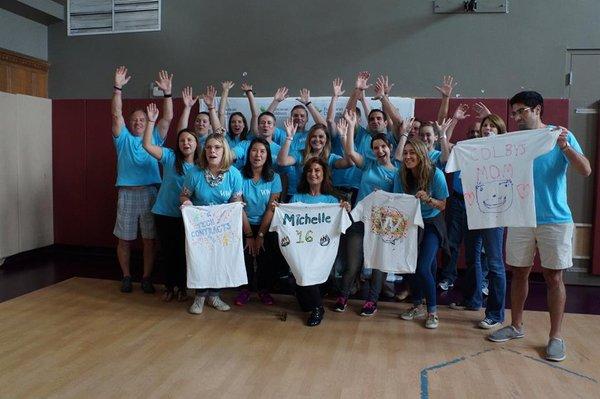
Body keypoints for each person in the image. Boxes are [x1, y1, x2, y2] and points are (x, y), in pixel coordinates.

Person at [488, 91, 591, 362]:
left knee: (553, 277)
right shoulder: (513, 141)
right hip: (520, 217)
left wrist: (566, 147)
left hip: (554, 218)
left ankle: (556, 337)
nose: (517, 117)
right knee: (519, 272)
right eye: (514, 113)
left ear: (537, 110)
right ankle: (516, 326)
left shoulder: (559, 135)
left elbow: (586, 170)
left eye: (521, 111)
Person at [444, 113, 509, 330]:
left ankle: (495, 314)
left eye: (493, 126)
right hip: (473, 209)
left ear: (500, 131)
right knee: (472, 257)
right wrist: (445, 131)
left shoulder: (504, 151)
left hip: (495, 212)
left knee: (495, 263)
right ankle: (472, 301)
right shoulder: (471, 149)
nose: (487, 128)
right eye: (485, 126)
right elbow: (448, 156)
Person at [111, 66, 173, 293]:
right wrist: (117, 88)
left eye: (142, 119)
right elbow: (116, 114)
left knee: (149, 240)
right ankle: (127, 277)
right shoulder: (123, 138)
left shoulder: (155, 136)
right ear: (130, 123)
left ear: (148, 122)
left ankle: (146, 278)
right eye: (135, 119)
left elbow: (167, 117)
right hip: (127, 193)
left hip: (150, 193)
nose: (138, 122)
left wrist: (167, 93)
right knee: (124, 240)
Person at [333, 110, 400, 315]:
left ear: (389, 147)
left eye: (383, 147)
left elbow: (399, 201)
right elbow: (351, 153)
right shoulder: (368, 165)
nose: (379, 150)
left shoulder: (398, 172)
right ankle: (343, 296)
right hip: (360, 221)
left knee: (378, 265)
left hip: (382, 224)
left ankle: (372, 301)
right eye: (375, 148)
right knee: (353, 264)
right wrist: (352, 125)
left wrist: (385, 197)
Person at [180, 134, 243, 314]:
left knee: (219, 260)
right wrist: (187, 202)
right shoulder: (194, 173)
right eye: (208, 147)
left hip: (223, 228)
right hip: (200, 228)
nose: (212, 151)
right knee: (200, 260)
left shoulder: (234, 174)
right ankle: (199, 297)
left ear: (224, 151)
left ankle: (214, 296)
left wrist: (238, 205)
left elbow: (235, 199)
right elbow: (184, 195)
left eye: (217, 147)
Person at [142, 103, 198, 302]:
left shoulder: (201, 166)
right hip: (164, 213)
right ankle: (169, 287)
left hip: (188, 218)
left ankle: (182, 288)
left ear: (196, 143)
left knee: (183, 254)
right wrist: (150, 122)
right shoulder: (170, 157)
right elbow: (147, 145)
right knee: (166, 252)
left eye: (190, 140)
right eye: (183, 140)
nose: (186, 143)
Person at [286, 157, 350, 326]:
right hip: (301, 250)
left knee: (307, 277)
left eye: (317, 170)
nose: (313, 174)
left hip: (321, 252)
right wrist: (278, 209)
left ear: (324, 175)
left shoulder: (331, 201)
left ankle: (318, 308)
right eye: (309, 170)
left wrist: (344, 210)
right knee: (303, 301)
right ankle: (314, 298)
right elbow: (288, 223)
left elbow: (339, 227)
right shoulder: (296, 198)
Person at [396, 138, 449, 329]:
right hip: (411, 224)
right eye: (405, 153)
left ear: (421, 154)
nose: (408, 156)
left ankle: (433, 312)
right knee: (410, 266)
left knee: (423, 267)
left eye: (412, 152)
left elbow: (442, 205)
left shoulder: (436, 175)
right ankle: (417, 305)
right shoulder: (401, 174)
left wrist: (428, 200)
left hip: (432, 223)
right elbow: (397, 200)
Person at [236, 138, 282, 306]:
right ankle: (245, 289)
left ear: (267, 155)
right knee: (245, 257)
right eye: (254, 151)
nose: (258, 154)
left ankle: (264, 290)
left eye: (262, 151)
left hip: (266, 224)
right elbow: (238, 206)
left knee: (266, 258)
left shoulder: (274, 177)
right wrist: (249, 235)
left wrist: (261, 234)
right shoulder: (239, 175)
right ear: (249, 154)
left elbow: (272, 207)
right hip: (243, 222)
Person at [277, 119, 352, 198]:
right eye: (314, 136)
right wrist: (289, 137)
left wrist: (343, 137)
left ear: (326, 140)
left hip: (324, 199)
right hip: (301, 198)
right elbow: (282, 162)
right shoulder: (300, 154)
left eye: (321, 137)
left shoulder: (331, 158)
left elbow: (349, 163)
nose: (317, 139)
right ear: (309, 139)